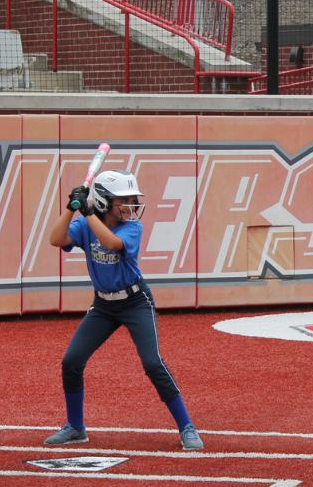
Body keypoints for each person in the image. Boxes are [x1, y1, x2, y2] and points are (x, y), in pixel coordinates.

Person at [44, 169, 203, 450]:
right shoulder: (85, 225)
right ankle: (76, 427)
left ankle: (186, 426)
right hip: (104, 305)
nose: (131, 206)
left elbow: (112, 243)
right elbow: (56, 239)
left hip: (135, 301)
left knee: (153, 363)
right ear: (105, 202)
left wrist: (88, 212)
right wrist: (72, 208)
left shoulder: (131, 228)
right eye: (124, 200)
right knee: (71, 361)